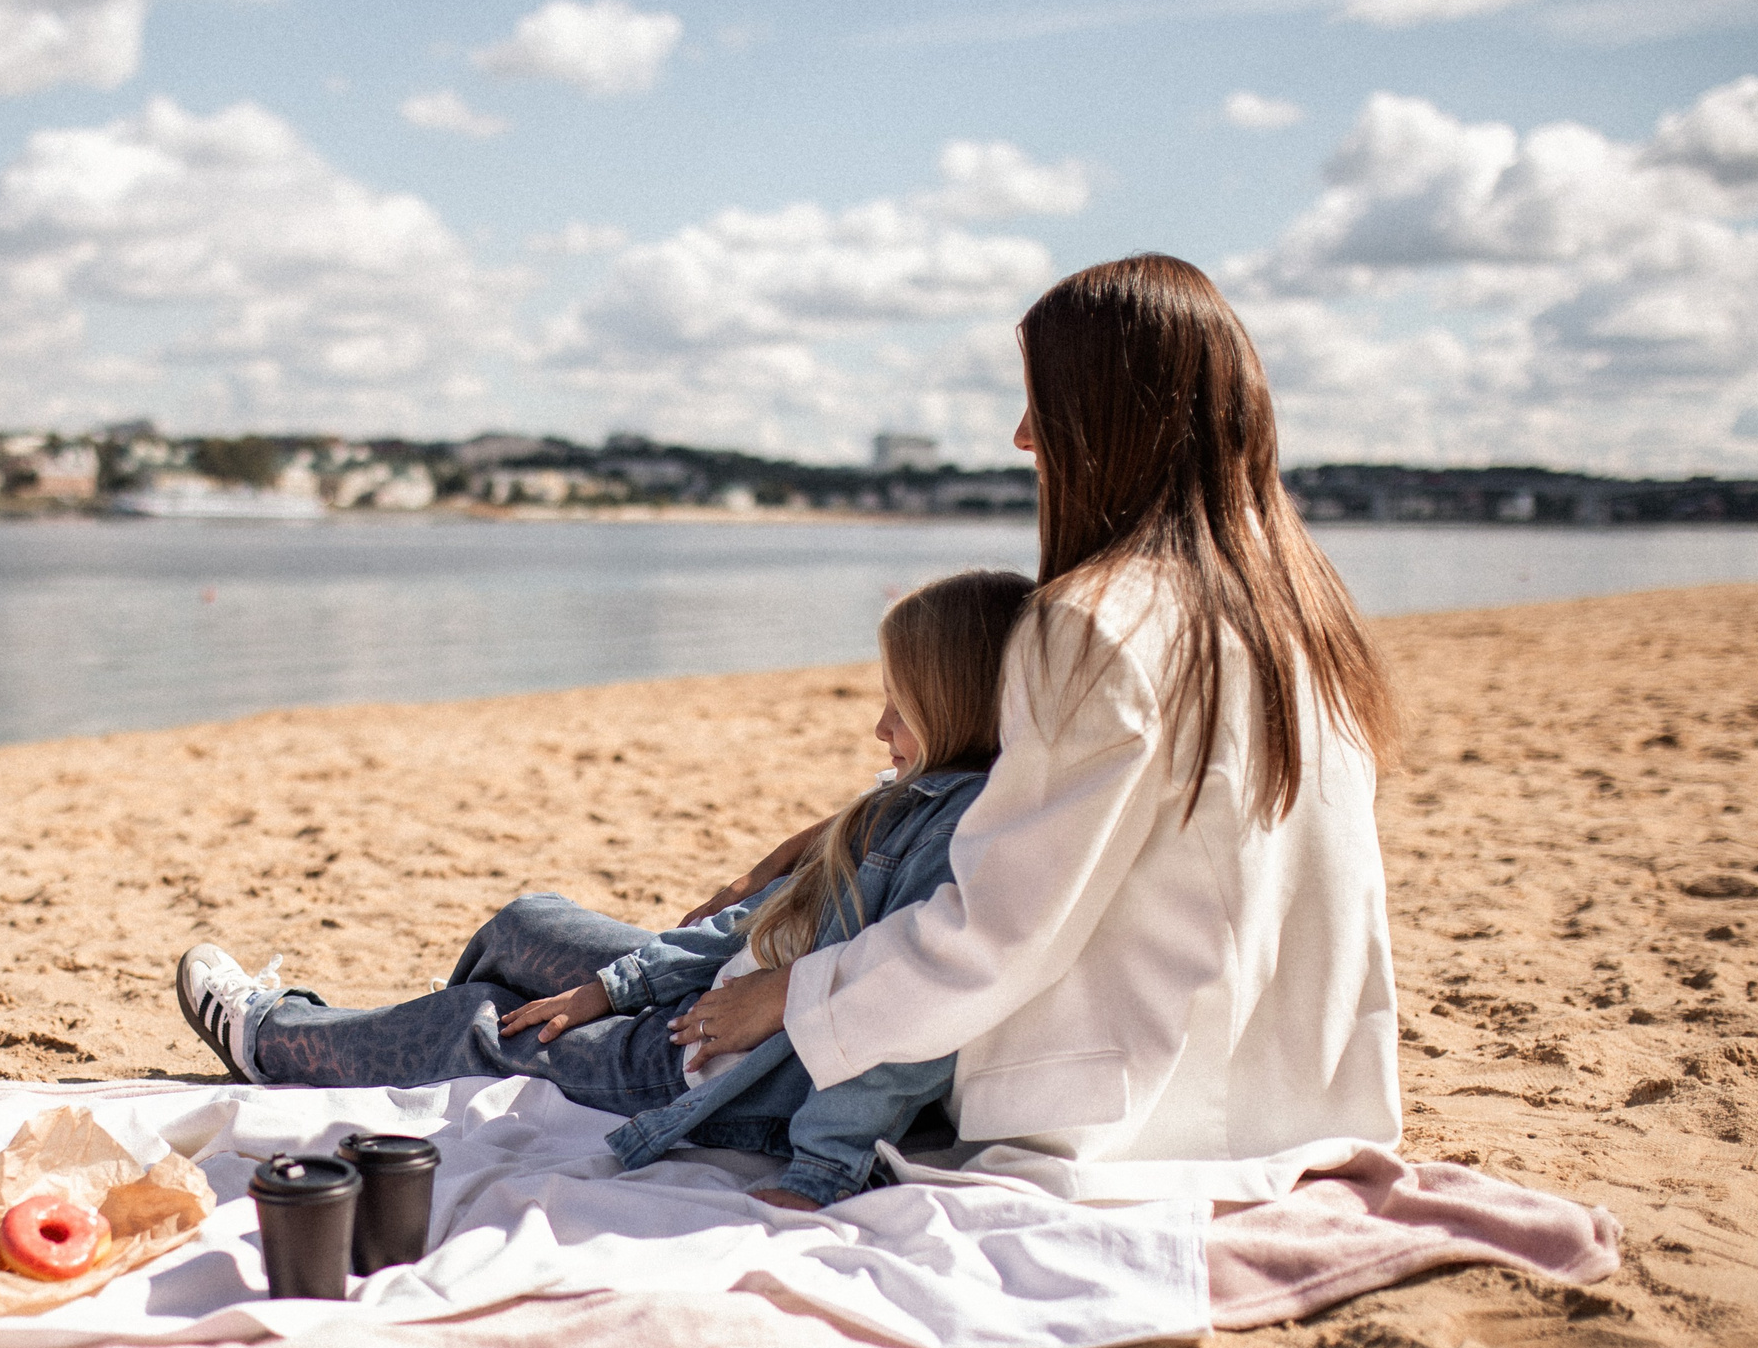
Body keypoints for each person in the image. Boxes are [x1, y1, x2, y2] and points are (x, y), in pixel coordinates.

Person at [667, 253, 1405, 1204]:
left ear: (1112, 416)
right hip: (1302, 1101)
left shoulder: (1097, 622)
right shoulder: (1299, 611)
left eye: (1038, 403)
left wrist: (794, 996)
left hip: (1126, 1117)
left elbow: (997, 934)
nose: (1021, 437)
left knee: (573, 1000)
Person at [175, 569, 1035, 1207]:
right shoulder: (911, 801)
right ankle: (414, 1043)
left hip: (722, 1071)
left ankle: (275, 1040)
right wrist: (610, 987)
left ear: (958, 703)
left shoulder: (957, 840)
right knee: (526, 924)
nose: (878, 726)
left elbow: (905, 1033)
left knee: (473, 1020)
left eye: (901, 705)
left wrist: (820, 1175)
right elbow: (758, 926)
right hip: (729, 989)